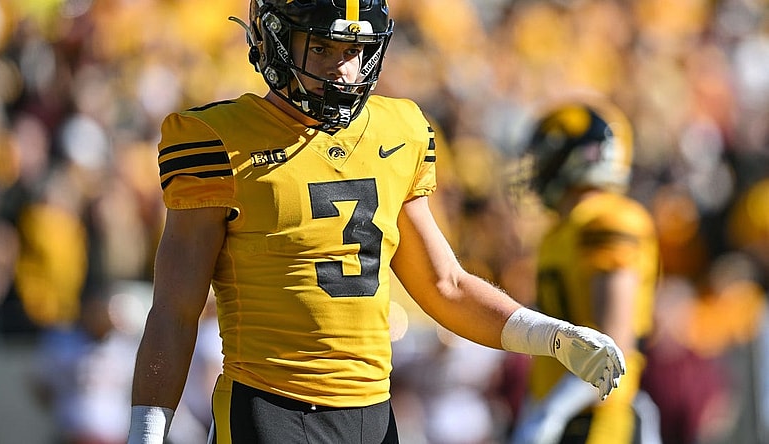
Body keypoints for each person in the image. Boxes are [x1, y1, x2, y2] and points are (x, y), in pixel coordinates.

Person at [127, 2, 626, 443]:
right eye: (322, 47)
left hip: (372, 415)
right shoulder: (216, 140)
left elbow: (445, 285)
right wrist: (147, 432)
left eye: (355, 49)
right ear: (274, 39)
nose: (344, 70)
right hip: (269, 405)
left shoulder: (399, 130)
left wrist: (551, 335)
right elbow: (175, 310)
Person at [509, 100, 661, 444]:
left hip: (599, 418)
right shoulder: (561, 231)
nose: (538, 167)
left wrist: (552, 410)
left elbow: (613, 346)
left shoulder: (610, 220)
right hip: (566, 415)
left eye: (547, 153)